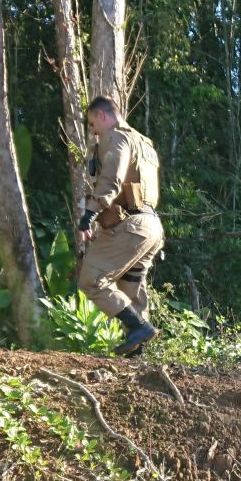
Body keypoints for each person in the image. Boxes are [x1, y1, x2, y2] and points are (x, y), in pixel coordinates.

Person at [76, 95, 164, 357]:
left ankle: (138, 327)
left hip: (132, 224)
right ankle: (137, 356)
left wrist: (88, 215)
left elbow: (111, 179)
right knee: (131, 288)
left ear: (102, 116)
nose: (93, 132)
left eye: (93, 125)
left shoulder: (116, 137)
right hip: (152, 226)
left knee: (91, 280)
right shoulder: (144, 143)